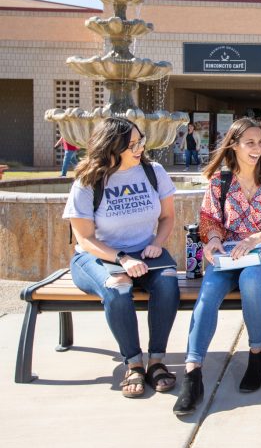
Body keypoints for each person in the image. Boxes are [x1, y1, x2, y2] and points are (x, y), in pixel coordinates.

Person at [173, 117, 261, 416]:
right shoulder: (220, 182)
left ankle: (257, 354)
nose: (257, 148)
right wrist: (213, 240)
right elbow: (211, 222)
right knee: (209, 289)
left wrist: (255, 238)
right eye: (250, 143)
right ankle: (193, 373)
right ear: (235, 145)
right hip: (228, 257)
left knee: (250, 279)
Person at [64, 117, 179, 398]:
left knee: (167, 281)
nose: (140, 148)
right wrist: (122, 259)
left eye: (141, 141)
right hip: (96, 256)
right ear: (111, 148)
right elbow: (85, 239)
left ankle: (156, 361)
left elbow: (167, 217)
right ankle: (133, 363)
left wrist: (157, 243)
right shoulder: (88, 182)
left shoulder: (154, 172)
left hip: (145, 254)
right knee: (118, 287)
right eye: (132, 144)